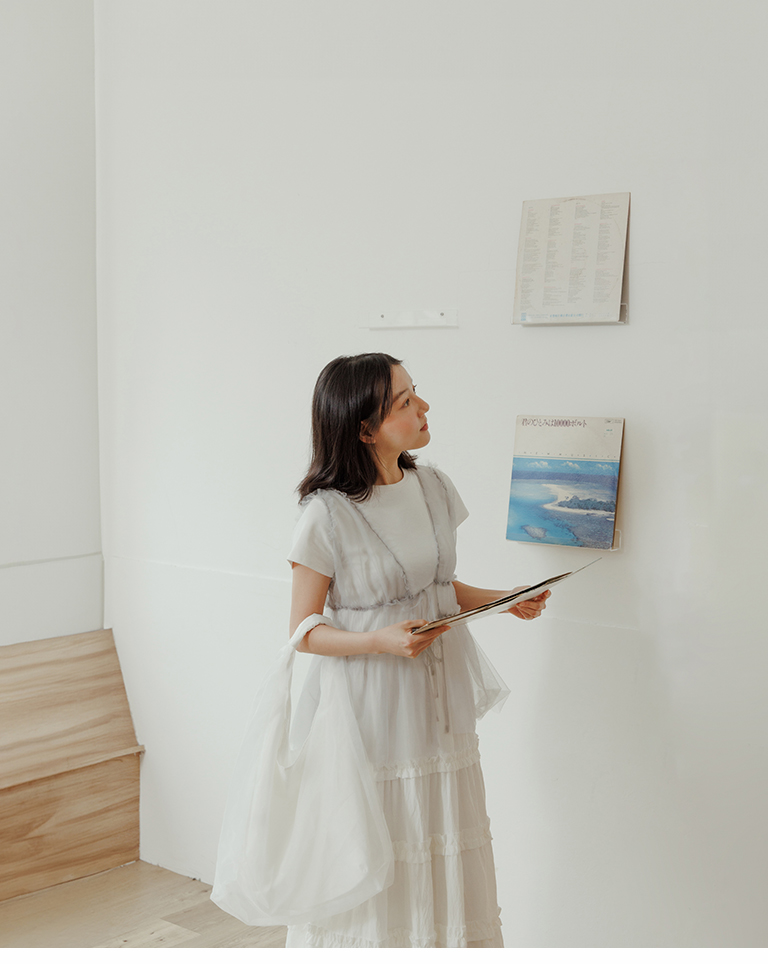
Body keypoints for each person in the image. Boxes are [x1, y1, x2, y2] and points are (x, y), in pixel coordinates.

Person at [212, 353, 549, 948]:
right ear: (364, 428)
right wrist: (379, 640)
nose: (424, 407)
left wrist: (505, 599)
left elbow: (436, 588)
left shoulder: (435, 488)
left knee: (441, 826)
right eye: (405, 402)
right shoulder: (326, 515)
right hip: (371, 707)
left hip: (438, 700)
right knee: (385, 835)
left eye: (416, 393)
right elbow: (304, 631)